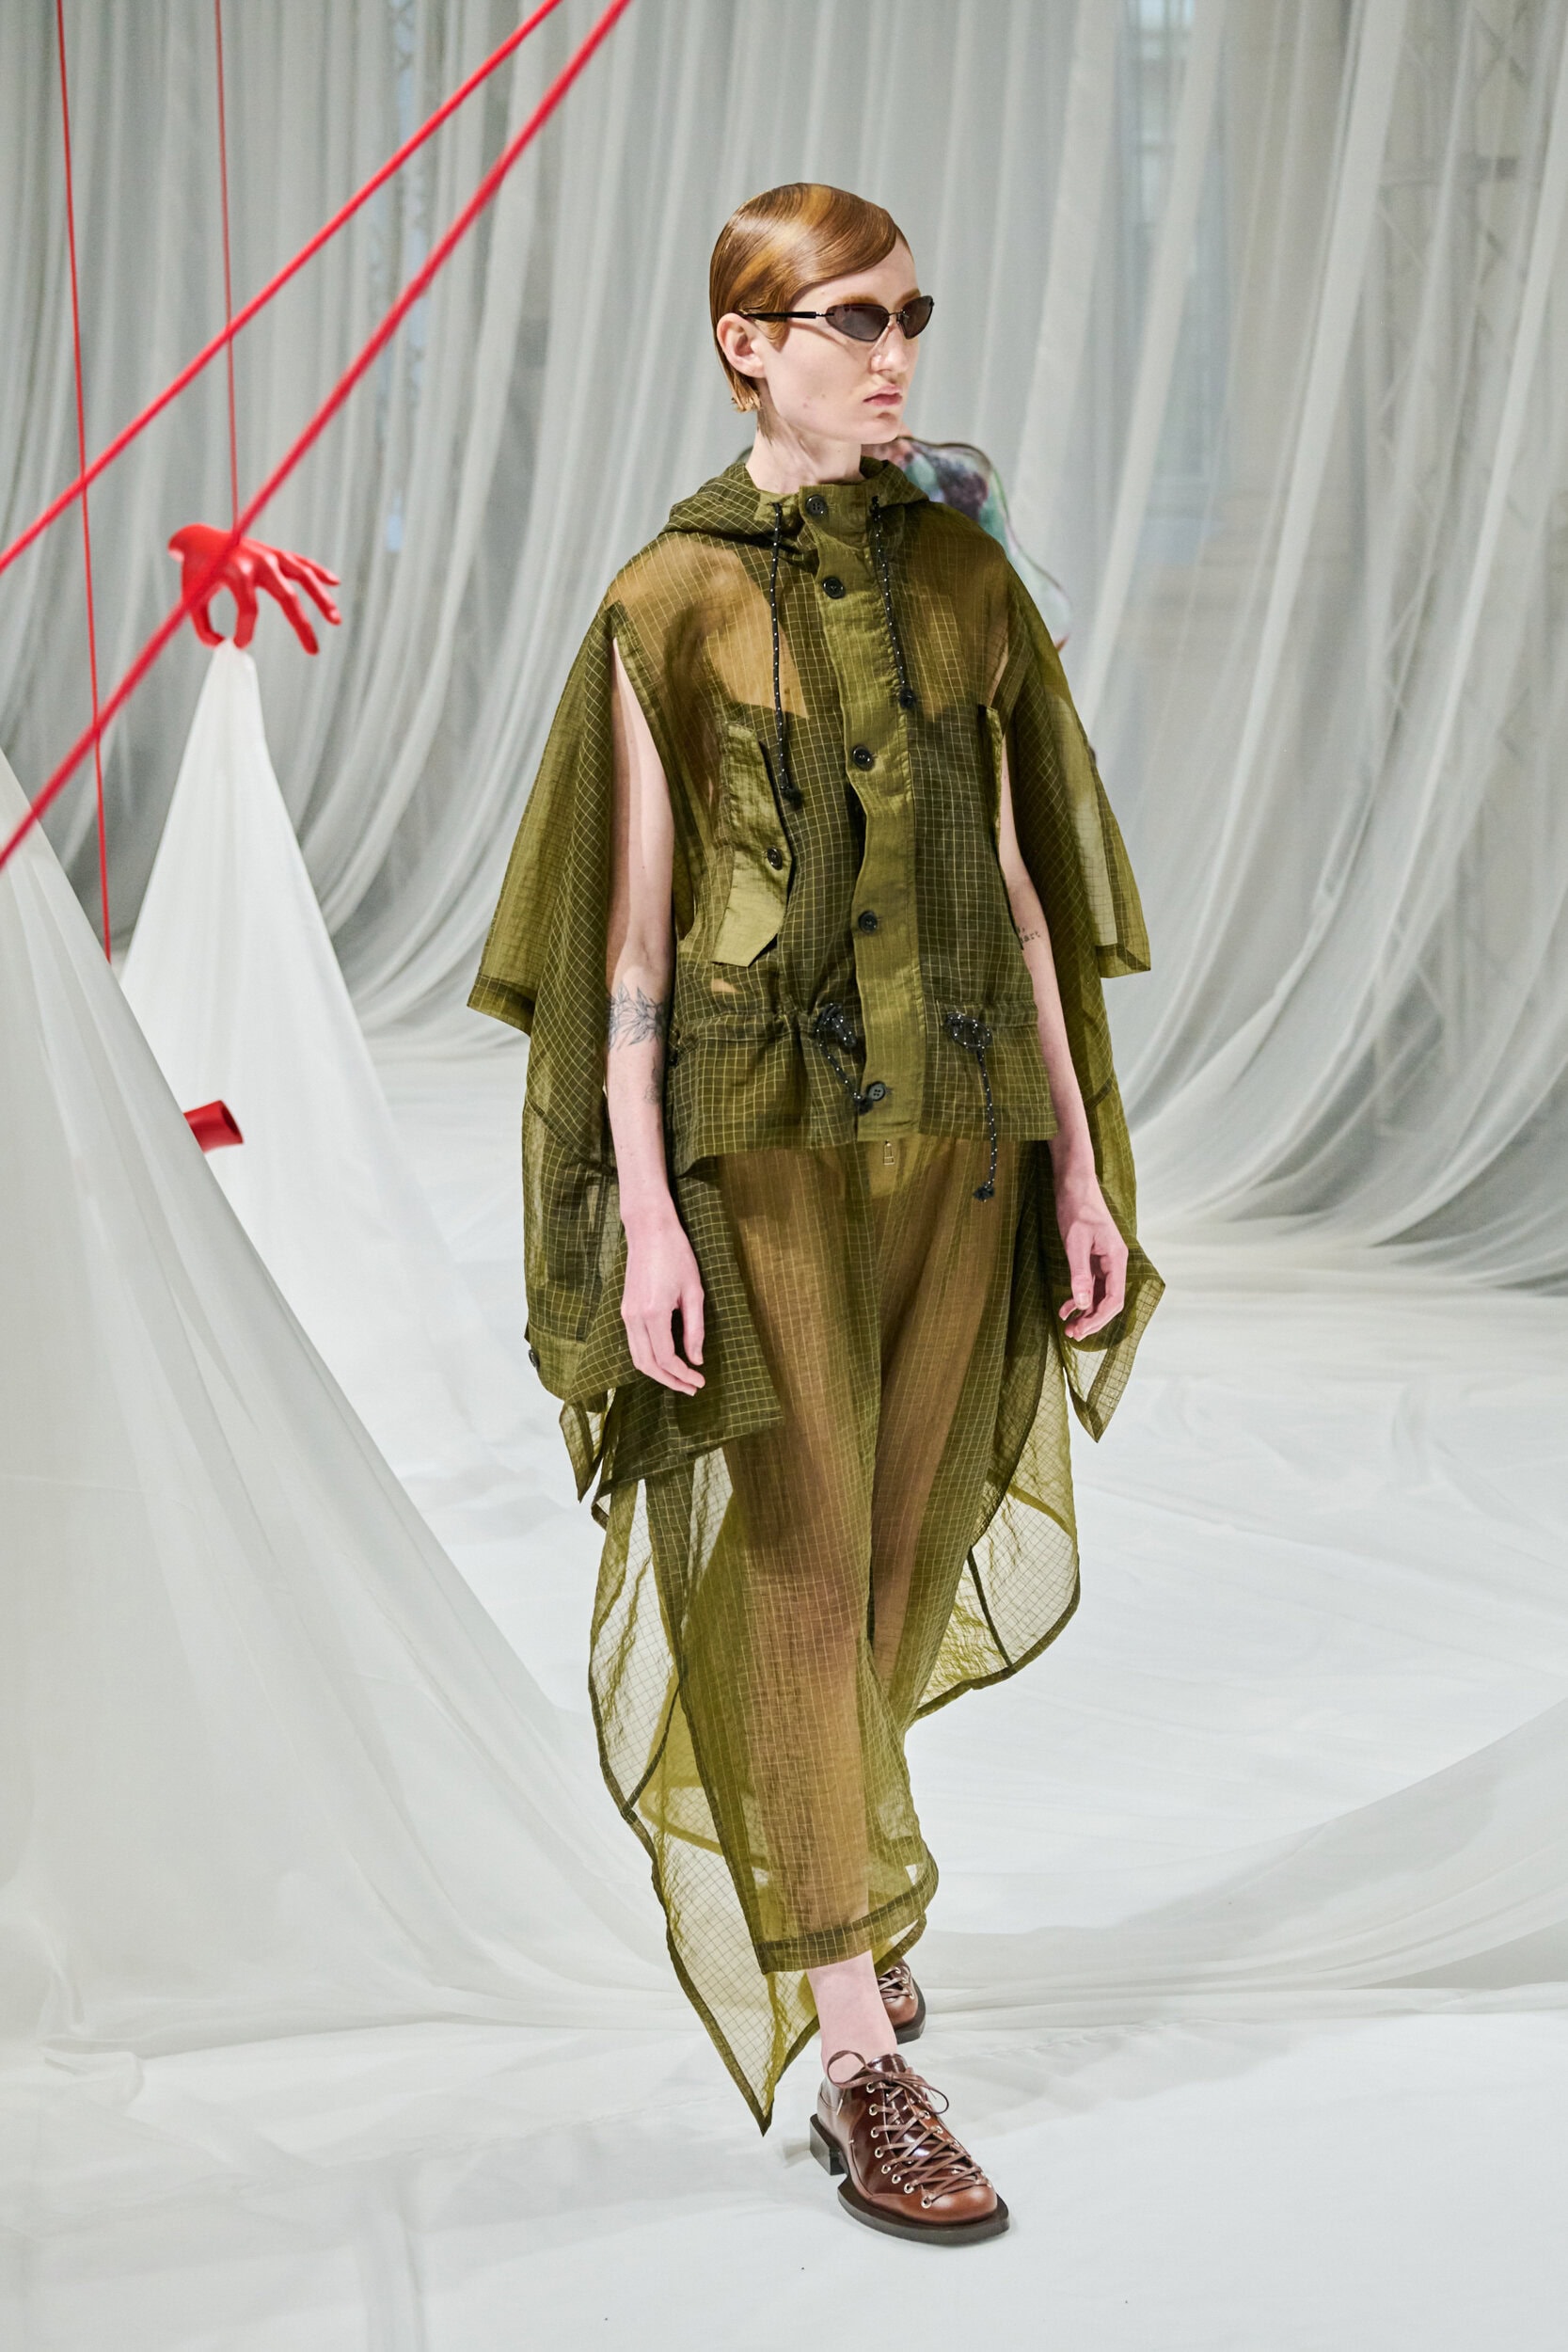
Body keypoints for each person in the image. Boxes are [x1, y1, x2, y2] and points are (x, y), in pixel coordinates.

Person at [471, 182, 1161, 2245]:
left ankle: (837, 1890)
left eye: (909, 315)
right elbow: (628, 945)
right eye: (852, 320)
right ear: (746, 343)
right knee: (790, 1557)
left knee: (897, 1543)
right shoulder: (670, 601)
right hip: (760, 1146)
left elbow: (1023, 890)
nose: (894, 355)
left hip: (962, 1138)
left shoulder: (964, 580)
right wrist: (648, 1213)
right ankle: (863, 2053)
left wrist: (1081, 1157)